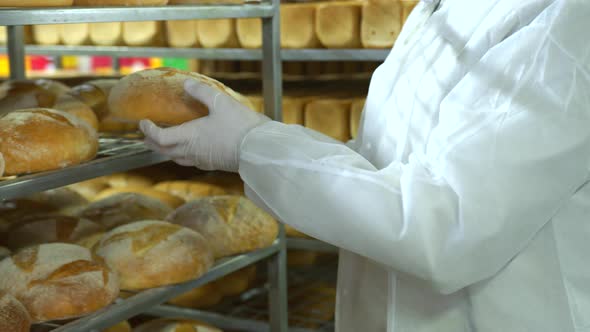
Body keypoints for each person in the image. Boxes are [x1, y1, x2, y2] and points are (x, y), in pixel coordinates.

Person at [140, 0, 590, 330]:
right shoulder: (438, 9)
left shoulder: (566, 18)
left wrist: (254, 146)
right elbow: (382, 162)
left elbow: (448, 225)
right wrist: (261, 145)